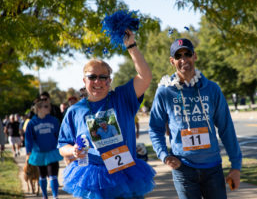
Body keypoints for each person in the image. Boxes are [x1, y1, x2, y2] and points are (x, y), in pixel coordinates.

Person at [58, 30, 155, 199]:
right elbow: (62, 146)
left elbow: (145, 77)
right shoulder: (74, 111)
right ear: (84, 81)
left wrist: (131, 46)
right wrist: (72, 150)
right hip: (93, 178)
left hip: (125, 173)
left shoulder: (122, 97)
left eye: (103, 77)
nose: (98, 81)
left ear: (110, 80)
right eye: (92, 77)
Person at [149, 38, 242, 199]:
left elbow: (226, 127)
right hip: (183, 168)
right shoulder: (165, 92)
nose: (184, 59)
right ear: (172, 61)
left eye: (188, 54)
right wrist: (164, 155)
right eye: (178, 56)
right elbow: (155, 128)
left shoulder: (212, 89)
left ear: (195, 56)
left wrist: (236, 166)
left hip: (213, 167)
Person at [25, 98, 63, 199]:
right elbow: (28, 138)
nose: (49, 108)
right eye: (46, 106)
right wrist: (28, 152)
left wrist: (62, 146)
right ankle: (45, 196)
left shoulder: (54, 120)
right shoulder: (32, 123)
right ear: (39, 108)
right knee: (42, 176)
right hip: (39, 153)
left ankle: (55, 196)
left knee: (53, 175)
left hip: (52, 152)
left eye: (48, 106)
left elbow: (59, 135)